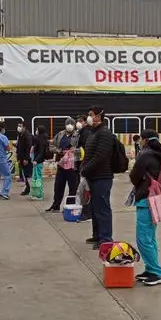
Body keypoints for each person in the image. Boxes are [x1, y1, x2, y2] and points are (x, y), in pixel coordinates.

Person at [129, 129, 161, 286]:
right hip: (157, 197)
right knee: (150, 237)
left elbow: (134, 176)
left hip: (146, 199)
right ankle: (150, 269)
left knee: (143, 239)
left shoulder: (145, 155)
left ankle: (156, 272)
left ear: (144, 140)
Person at [81, 105, 116, 250]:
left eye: (91, 114)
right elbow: (89, 154)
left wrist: (85, 169)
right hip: (93, 176)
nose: (89, 117)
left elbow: (100, 157)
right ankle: (97, 235)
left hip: (102, 177)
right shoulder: (93, 133)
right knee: (95, 208)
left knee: (103, 208)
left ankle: (106, 239)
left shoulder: (104, 133)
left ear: (98, 116)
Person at [47, 117, 79, 212]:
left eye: (72, 124)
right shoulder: (60, 134)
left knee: (73, 187)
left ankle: (70, 207)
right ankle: (56, 205)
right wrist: (59, 151)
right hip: (61, 164)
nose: (69, 126)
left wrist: (73, 151)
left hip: (72, 165)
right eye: (68, 124)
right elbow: (51, 145)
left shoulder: (78, 135)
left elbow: (81, 148)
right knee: (58, 186)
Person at [73, 115, 93, 223]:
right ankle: (86, 212)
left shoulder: (86, 133)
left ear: (85, 122)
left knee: (85, 191)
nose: (78, 123)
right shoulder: (79, 133)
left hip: (85, 166)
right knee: (83, 190)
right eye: (77, 121)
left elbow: (85, 150)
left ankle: (87, 214)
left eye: (80, 121)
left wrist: (83, 166)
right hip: (81, 164)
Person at [29, 125, 51, 200]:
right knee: (36, 178)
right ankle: (36, 193)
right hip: (38, 161)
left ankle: (40, 195)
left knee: (38, 178)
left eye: (37, 130)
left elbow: (41, 152)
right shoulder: (41, 138)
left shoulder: (41, 140)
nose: (36, 131)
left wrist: (36, 160)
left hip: (38, 161)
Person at [16, 122, 33, 195]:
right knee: (24, 174)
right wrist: (18, 157)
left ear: (24, 127)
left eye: (20, 126)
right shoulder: (20, 135)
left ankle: (30, 189)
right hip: (21, 157)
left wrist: (26, 158)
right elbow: (19, 146)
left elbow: (28, 148)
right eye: (18, 126)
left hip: (26, 158)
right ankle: (28, 188)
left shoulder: (27, 135)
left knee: (28, 174)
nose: (19, 127)